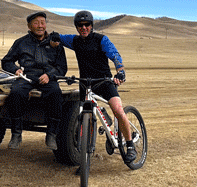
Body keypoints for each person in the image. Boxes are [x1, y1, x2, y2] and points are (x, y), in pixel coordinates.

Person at [50, 10, 138, 164]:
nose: (84, 28)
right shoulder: (74, 41)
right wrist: (53, 36)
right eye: (80, 25)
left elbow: (114, 55)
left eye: (87, 25)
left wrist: (120, 72)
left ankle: (130, 145)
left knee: (117, 109)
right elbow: (60, 38)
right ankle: (85, 159)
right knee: (86, 118)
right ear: (76, 27)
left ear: (92, 25)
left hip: (104, 81)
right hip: (85, 84)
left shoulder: (101, 39)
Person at [1, 11, 67, 150]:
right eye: (36, 23)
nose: (40, 26)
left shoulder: (55, 43)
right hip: (27, 76)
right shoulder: (21, 42)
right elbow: (6, 61)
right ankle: (16, 134)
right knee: (16, 92)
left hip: (48, 77)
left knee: (56, 93)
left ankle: (51, 135)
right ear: (29, 26)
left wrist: (50, 75)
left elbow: (62, 67)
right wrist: (15, 70)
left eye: (42, 22)